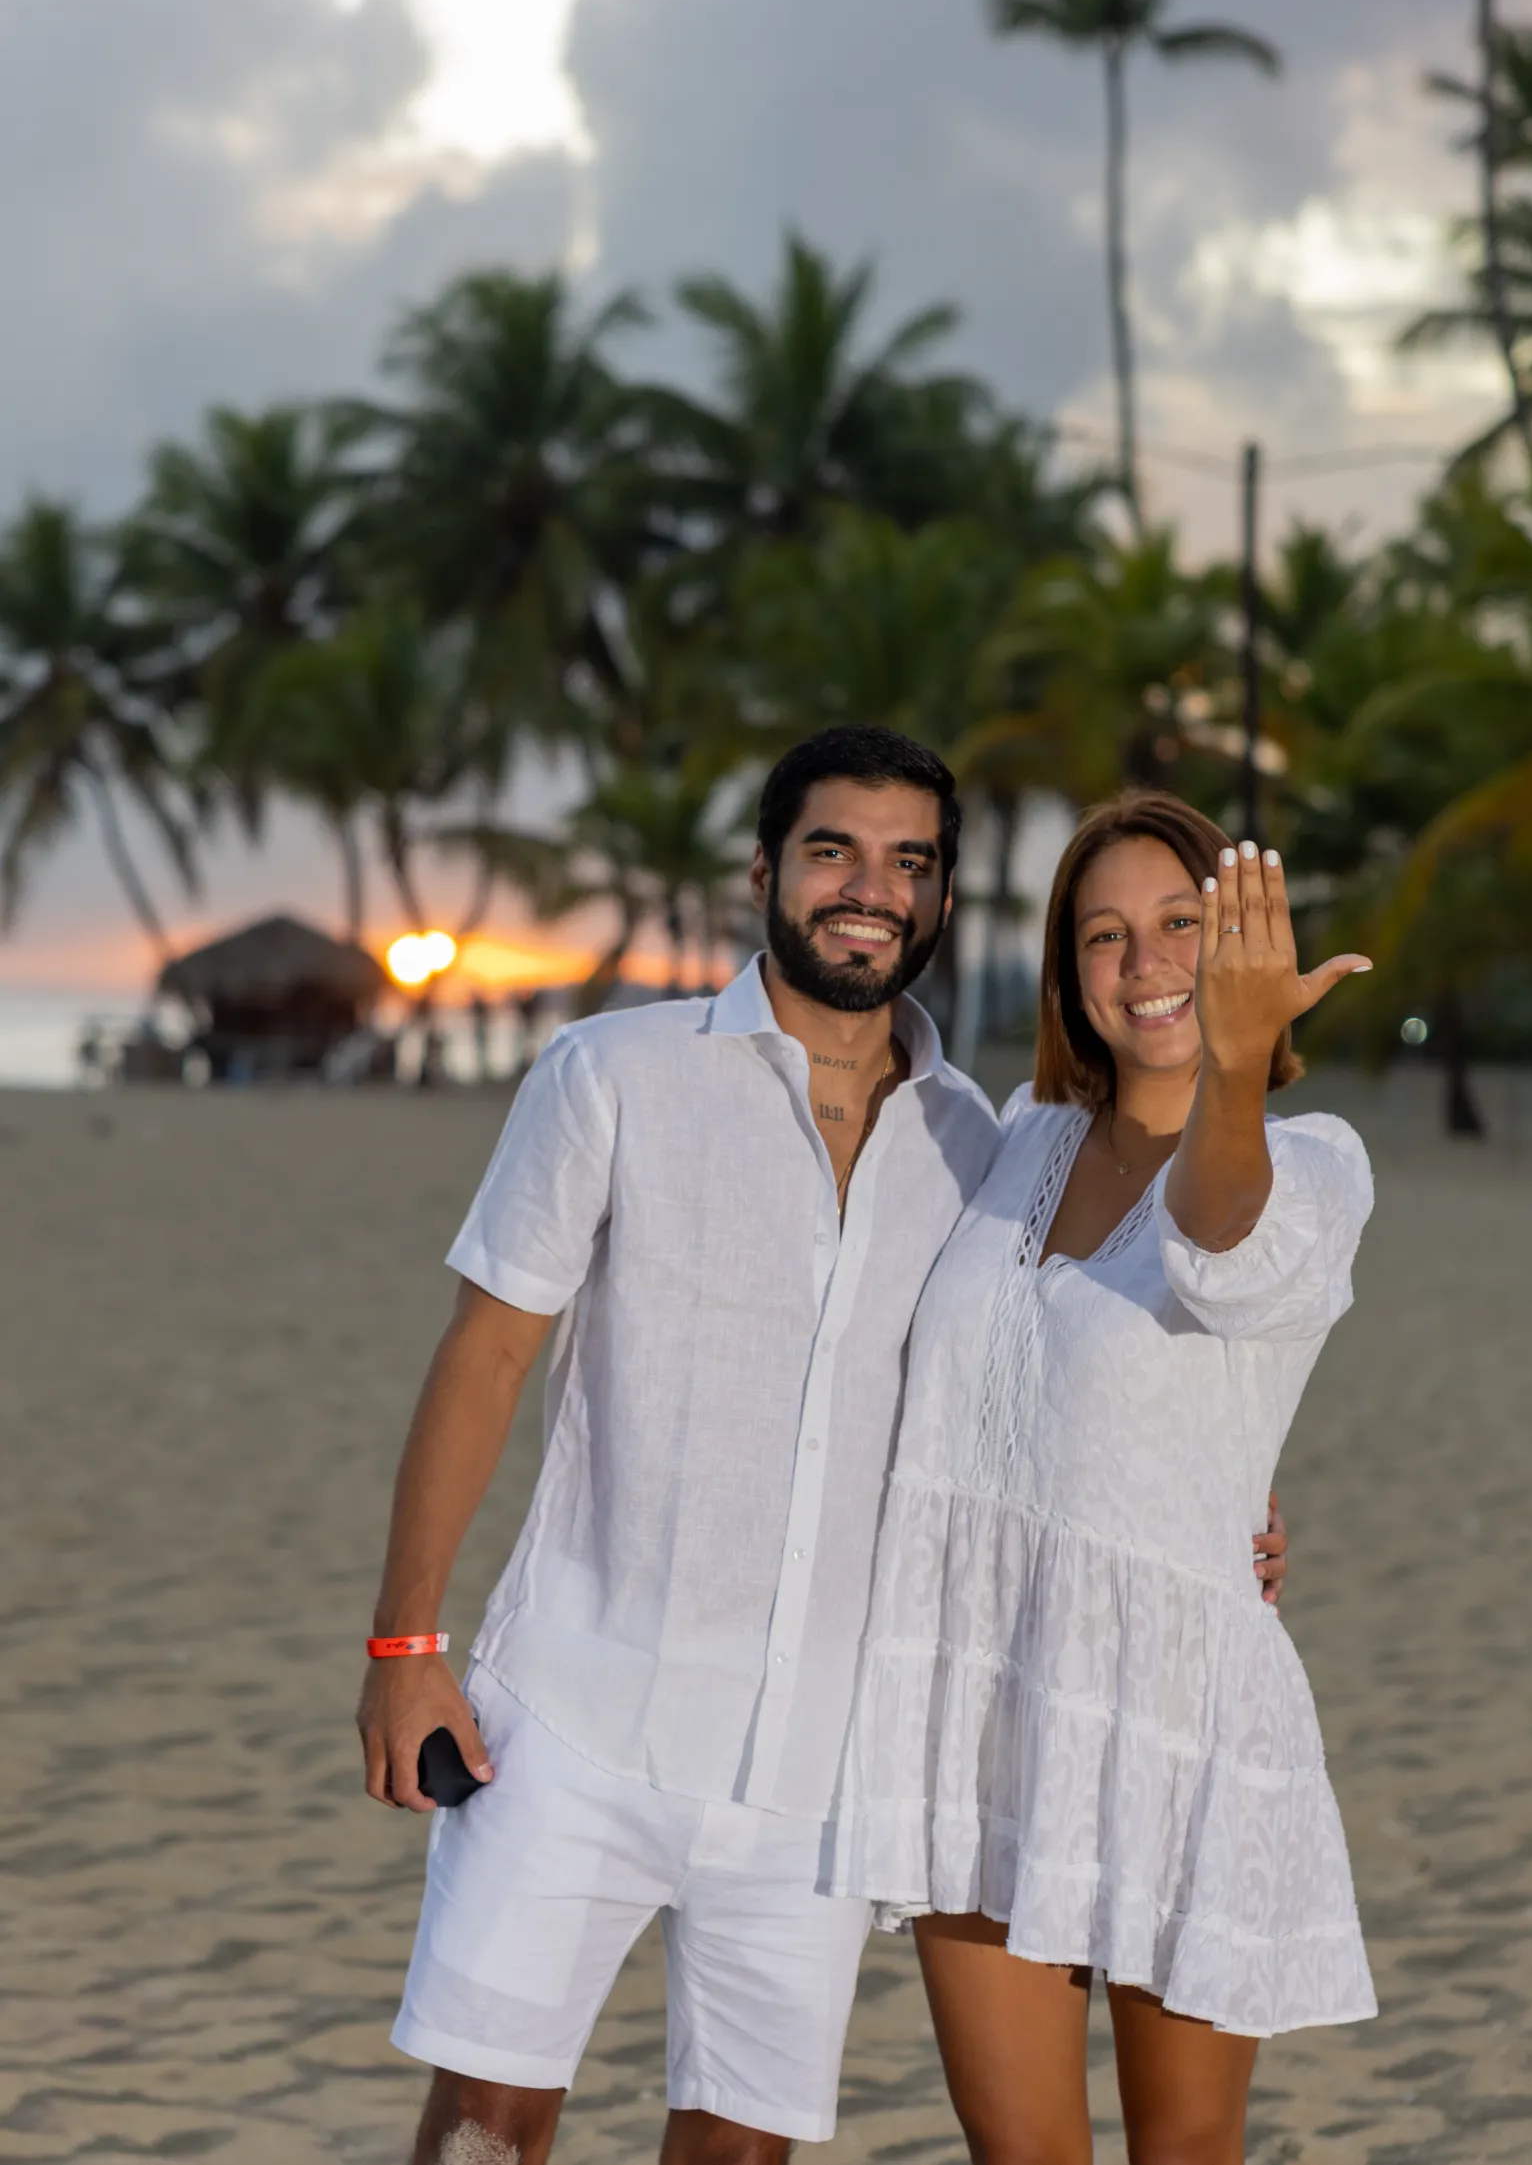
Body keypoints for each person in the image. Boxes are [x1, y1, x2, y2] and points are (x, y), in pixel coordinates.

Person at [357, 731, 1288, 2165]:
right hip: (574, 1718)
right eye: (833, 851)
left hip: (817, 1772)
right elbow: (486, 1354)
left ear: (940, 903)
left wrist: (1230, 1504)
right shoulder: (612, 1073)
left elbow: (1072, 1375)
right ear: (764, 871)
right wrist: (401, 1647)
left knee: (738, 2152)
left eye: (909, 862)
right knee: (485, 2127)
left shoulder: (982, 1145)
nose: (871, 889)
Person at [830, 791, 1376, 2165]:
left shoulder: (1311, 1168)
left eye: (1183, 926)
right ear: (1069, 975)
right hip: (974, 1703)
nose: (1147, 967)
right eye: (1105, 936)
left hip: (1168, 1725)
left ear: (1241, 949)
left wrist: (1238, 1072)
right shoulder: (1018, 1142)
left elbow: (1217, 1246)